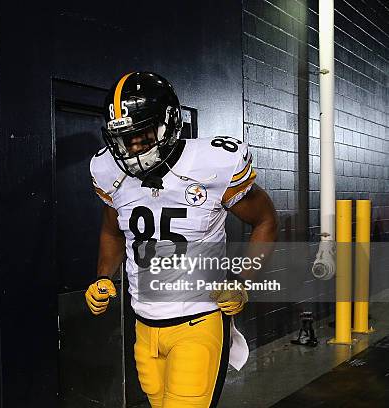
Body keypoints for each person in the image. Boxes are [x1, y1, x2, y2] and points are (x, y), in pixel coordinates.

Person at [85, 72, 278, 408]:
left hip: (198, 321)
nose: (133, 148)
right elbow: (112, 230)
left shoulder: (213, 164)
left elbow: (265, 220)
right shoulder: (107, 170)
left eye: (141, 134)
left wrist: (242, 282)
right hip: (144, 325)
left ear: (169, 123)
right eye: (123, 138)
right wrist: (103, 277)